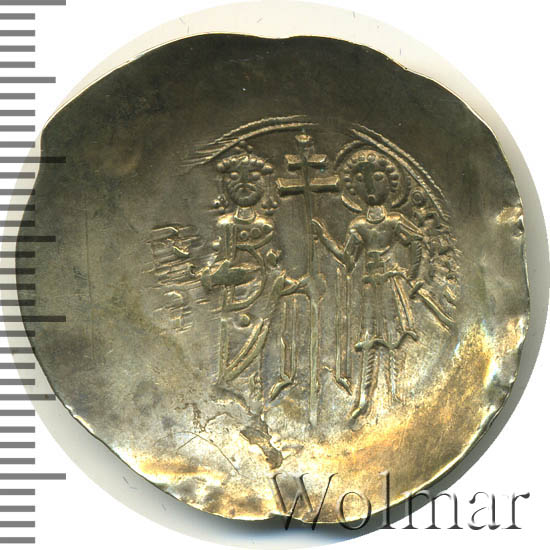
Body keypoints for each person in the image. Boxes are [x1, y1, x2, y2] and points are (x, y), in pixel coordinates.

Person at [312, 148, 425, 420]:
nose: (371, 188)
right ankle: (364, 400)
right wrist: (325, 238)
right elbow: (348, 259)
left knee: (394, 339)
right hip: (369, 286)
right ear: (355, 190)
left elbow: (417, 242)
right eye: (363, 181)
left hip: (392, 283)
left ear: (391, 184)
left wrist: (414, 275)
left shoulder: (395, 220)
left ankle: (397, 394)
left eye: (377, 178)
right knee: (370, 341)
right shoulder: (358, 224)